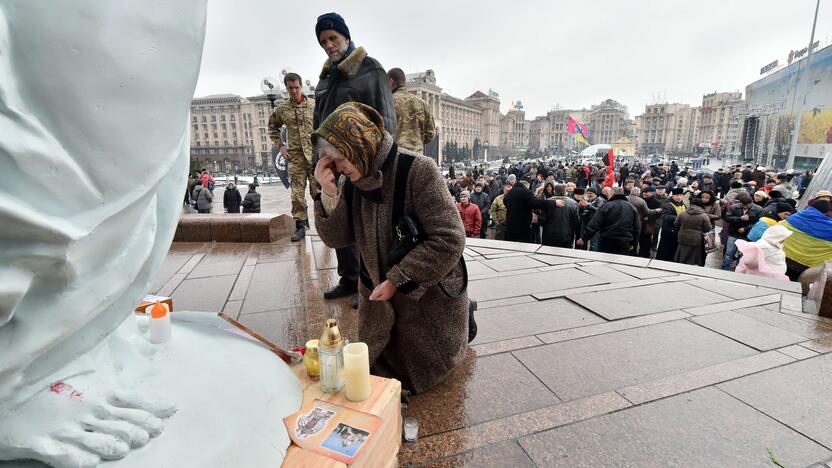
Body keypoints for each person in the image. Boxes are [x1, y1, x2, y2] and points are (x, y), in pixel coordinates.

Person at [312, 102, 468, 394]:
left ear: (360, 144)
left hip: (426, 302)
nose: (337, 167)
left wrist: (397, 279)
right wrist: (329, 194)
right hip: (377, 297)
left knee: (418, 370)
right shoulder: (351, 179)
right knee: (375, 367)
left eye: (339, 158)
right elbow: (336, 238)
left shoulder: (419, 170)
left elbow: (450, 239)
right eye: (331, 160)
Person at [313, 12, 397, 303]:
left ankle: (368, 284)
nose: (329, 45)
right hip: (332, 161)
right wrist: (318, 159)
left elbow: (386, 119)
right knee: (339, 218)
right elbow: (318, 122)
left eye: (333, 39)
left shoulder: (370, 69)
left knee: (365, 226)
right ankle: (348, 278)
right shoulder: (325, 78)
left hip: (361, 163)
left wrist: (381, 165)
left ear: (346, 37)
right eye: (324, 41)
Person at [269, 72, 319, 242]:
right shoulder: (282, 109)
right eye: (290, 88)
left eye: (297, 87)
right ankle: (300, 228)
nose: (294, 91)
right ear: (286, 89)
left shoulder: (314, 105)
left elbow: (325, 125)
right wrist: (281, 146)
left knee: (318, 192)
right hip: (295, 158)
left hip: (315, 157)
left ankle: (324, 224)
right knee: (297, 195)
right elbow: (272, 128)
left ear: (301, 87)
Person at [780, 200, 832, 281]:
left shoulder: (794, 217)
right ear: (828, 212)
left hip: (782, 258)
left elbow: (776, 230)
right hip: (808, 268)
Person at [580, 187, 640, 255]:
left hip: (607, 239)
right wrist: (634, 243)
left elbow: (595, 223)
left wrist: (584, 238)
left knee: (605, 262)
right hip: (625, 241)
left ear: (611, 194)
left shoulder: (606, 206)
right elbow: (637, 227)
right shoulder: (632, 207)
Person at [387, 68, 434, 153]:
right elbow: (430, 134)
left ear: (390, 82)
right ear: (404, 83)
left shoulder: (388, 101)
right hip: (417, 158)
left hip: (395, 156)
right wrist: (416, 142)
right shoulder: (423, 104)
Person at [722, 194, 762, 270]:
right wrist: (739, 218)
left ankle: (738, 269)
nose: (744, 206)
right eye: (742, 204)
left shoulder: (758, 209)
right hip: (733, 233)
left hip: (746, 235)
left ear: (750, 203)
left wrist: (746, 228)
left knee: (743, 254)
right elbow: (727, 218)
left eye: (746, 205)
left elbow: (758, 223)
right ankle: (725, 268)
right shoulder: (734, 207)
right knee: (729, 252)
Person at [504, 177, 548, 243]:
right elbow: (535, 203)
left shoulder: (510, 192)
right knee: (524, 246)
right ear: (527, 185)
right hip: (523, 225)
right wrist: (551, 203)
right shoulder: (526, 192)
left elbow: (505, 201)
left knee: (511, 245)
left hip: (510, 224)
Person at [674, 198, 712, 266]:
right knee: (693, 258)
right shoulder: (704, 216)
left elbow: (676, 224)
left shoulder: (683, 213)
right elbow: (708, 228)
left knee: (682, 255)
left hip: (683, 238)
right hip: (696, 240)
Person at [540, 184, 579, 248]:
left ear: (554, 191)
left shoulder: (547, 202)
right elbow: (576, 221)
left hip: (549, 235)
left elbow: (541, 220)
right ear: (565, 192)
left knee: (548, 256)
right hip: (566, 236)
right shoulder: (573, 203)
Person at [656, 188, 686, 261]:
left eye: (680, 195)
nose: (679, 197)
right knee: (665, 253)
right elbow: (665, 217)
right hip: (669, 233)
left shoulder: (684, 205)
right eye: (677, 195)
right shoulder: (668, 205)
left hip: (678, 232)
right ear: (673, 196)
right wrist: (679, 218)